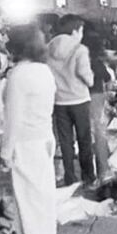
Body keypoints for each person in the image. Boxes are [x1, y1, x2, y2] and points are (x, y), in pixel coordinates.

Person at [1, 23, 61, 234]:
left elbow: (12, 118)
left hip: (25, 143)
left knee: (28, 203)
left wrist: (5, 151)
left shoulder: (18, 74)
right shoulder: (44, 70)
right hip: (44, 137)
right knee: (42, 200)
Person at [47, 14, 96, 187]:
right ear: (75, 31)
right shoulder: (79, 49)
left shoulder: (48, 48)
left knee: (65, 141)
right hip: (79, 99)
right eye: (81, 31)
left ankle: (70, 177)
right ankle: (88, 177)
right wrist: (90, 80)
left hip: (59, 100)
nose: (81, 34)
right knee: (84, 139)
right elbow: (84, 74)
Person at [85, 32, 114, 181]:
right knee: (99, 134)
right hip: (97, 98)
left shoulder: (82, 61)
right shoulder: (96, 63)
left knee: (89, 135)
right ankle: (104, 169)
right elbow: (108, 79)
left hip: (82, 99)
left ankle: (93, 172)